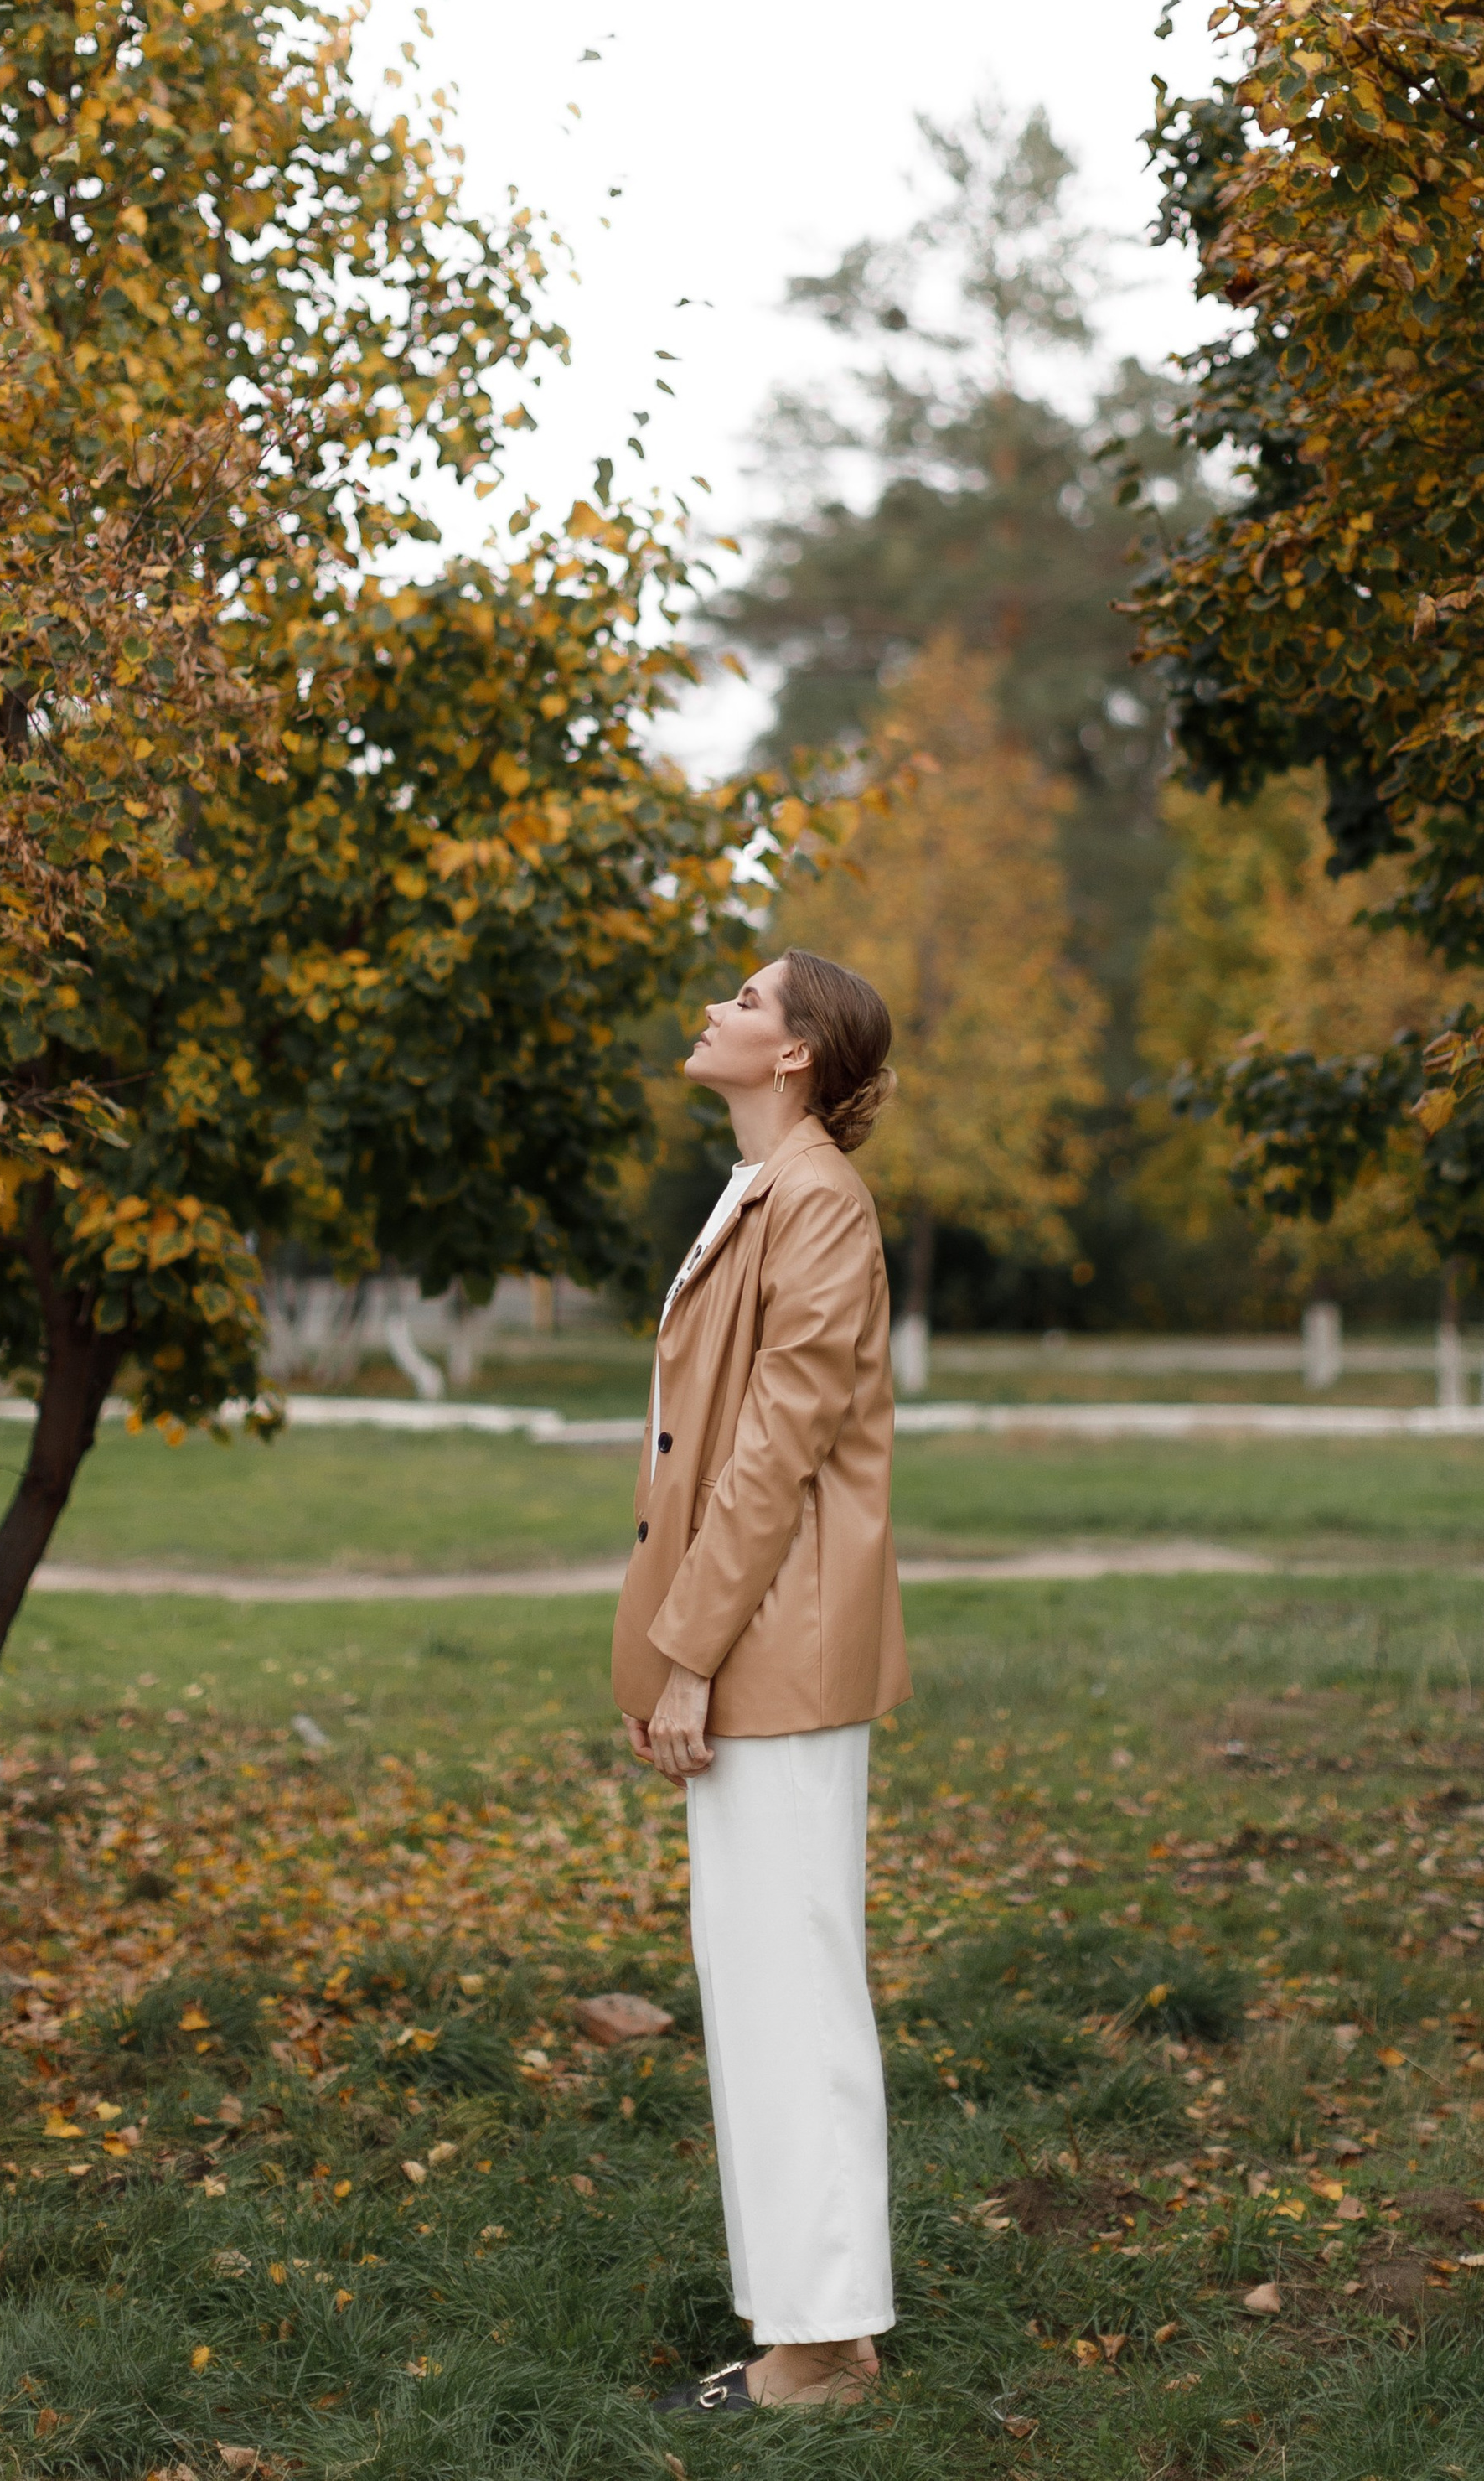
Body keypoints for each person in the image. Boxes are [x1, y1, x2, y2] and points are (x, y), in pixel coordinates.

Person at [613, 946, 907, 2414]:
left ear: (795, 1054)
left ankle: (817, 2354)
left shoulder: (818, 1206)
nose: (716, 1008)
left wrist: (687, 1657)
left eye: (746, 997)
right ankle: (821, 2325)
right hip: (757, 1646)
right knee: (766, 1983)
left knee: (791, 1994)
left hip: (773, 1652)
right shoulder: (763, 1192)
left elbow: (774, 1454)